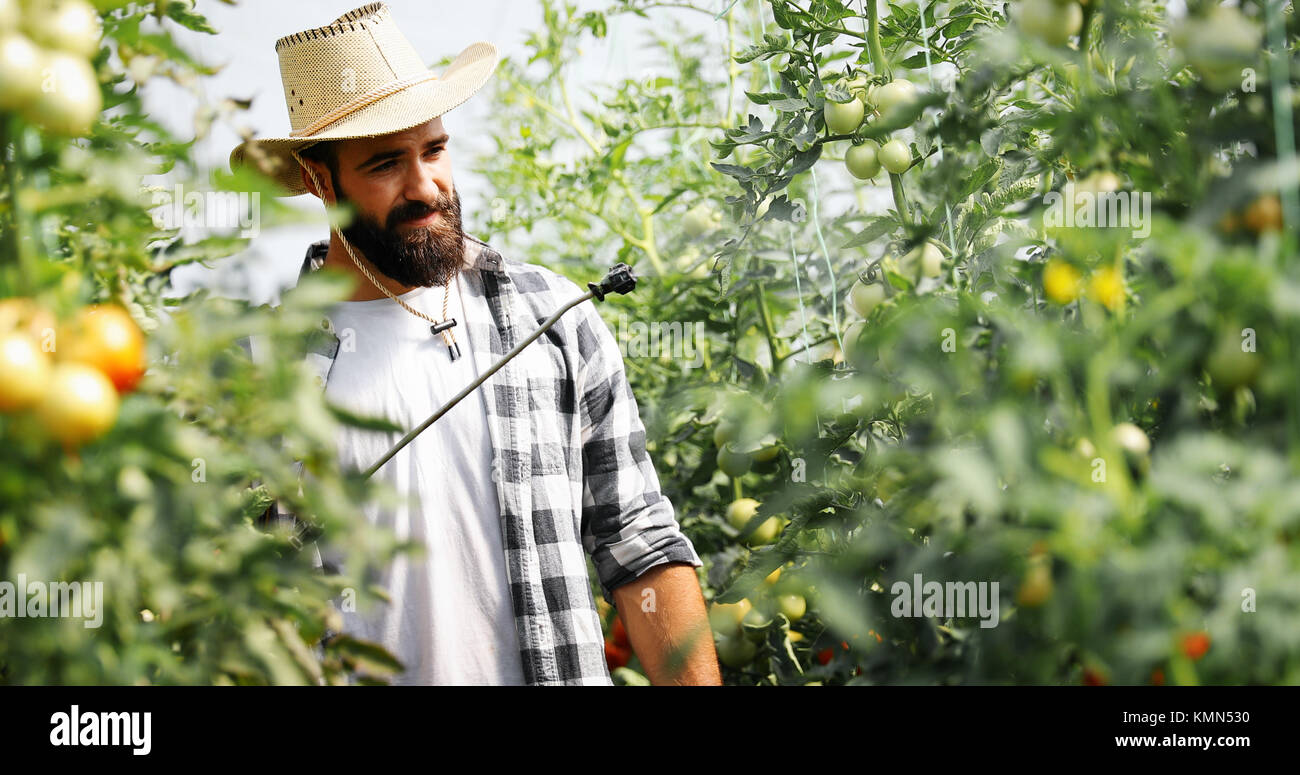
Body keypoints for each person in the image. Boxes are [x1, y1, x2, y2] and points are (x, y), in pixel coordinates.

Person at [229, 3, 720, 686]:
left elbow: (639, 543)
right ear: (320, 181)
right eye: (385, 164)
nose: (426, 185)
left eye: (433, 149)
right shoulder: (258, 370)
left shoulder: (552, 316)